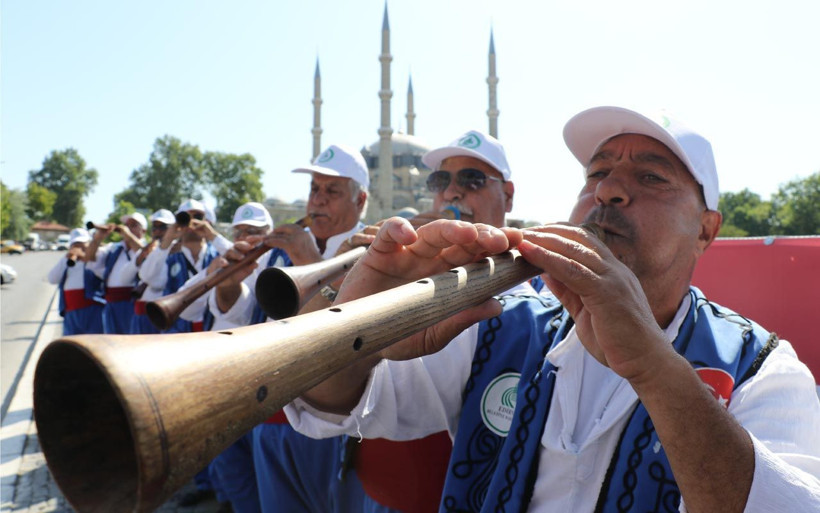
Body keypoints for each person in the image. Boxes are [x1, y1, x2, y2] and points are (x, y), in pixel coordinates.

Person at [286, 106, 820, 512]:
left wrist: (654, 368)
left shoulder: (762, 367)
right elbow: (335, 407)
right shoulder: (496, 321)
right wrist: (358, 323)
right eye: (597, 173)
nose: (609, 190)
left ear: (706, 229)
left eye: (651, 177)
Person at [211, 144, 384, 513]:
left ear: (361, 199)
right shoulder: (276, 254)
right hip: (271, 418)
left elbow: (358, 339)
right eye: (314, 190)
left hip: (341, 430)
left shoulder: (376, 251)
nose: (317, 201)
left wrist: (309, 261)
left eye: (332, 192)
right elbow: (239, 321)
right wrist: (227, 286)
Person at [139, 199, 232, 333]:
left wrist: (212, 236)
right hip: (175, 335)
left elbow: (242, 258)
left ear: (207, 222)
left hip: (212, 334)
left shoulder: (218, 254)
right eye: (186, 217)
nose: (192, 222)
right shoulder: (168, 257)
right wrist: (168, 240)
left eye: (198, 217)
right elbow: (147, 277)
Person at [85, 212, 147, 334]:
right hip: (112, 303)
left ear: (143, 231)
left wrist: (127, 235)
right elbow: (89, 258)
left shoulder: (147, 247)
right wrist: (98, 239)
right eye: (127, 225)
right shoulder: (114, 248)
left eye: (133, 225)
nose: (128, 228)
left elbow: (146, 255)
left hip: (134, 303)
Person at [46, 228, 105, 335]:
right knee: (72, 346)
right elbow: (52, 279)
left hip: (92, 311)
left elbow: (101, 273)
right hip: (71, 312)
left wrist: (84, 256)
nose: (79, 247)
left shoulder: (95, 258)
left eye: (82, 243)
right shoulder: (67, 262)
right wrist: (65, 259)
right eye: (76, 244)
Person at [130, 208, 176, 334]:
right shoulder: (150, 250)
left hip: (164, 313)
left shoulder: (178, 250)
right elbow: (144, 275)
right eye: (154, 228)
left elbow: (160, 283)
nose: (157, 232)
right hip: (143, 313)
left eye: (162, 227)